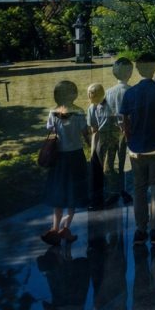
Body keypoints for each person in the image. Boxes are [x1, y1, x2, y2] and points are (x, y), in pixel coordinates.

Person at [120, 53, 155, 246]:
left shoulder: (130, 93)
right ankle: (154, 228)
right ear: (154, 67)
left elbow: (125, 123)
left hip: (137, 149)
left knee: (139, 189)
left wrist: (130, 139)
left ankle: (141, 228)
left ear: (138, 69)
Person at [40, 80, 90, 245]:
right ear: (74, 94)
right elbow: (85, 133)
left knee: (59, 193)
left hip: (59, 159)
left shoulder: (53, 112)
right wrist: (92, 146)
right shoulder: (79, 112)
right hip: (75, 157)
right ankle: (65, 228)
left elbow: (51, 130)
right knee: (73, 194)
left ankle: (54, 228)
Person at [105, 57, 133, 204]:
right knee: (123, 161)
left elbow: (107, 113)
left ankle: (114, 190)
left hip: (112, 130)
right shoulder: (130, 91)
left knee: (112, 161)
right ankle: (122, 189)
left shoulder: (109, 92)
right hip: (126, 130)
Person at [86, 82, 119, 207]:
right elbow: (93, 128)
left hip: (110, 139)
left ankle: (113, 192)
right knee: (97, 168)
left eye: (92, 93)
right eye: (89, 93)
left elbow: (115, 122)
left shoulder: (109, 106)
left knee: (108, 167)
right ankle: (99, 195)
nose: (89, 95)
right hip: (99, 139)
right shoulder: (91, 108)